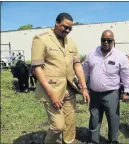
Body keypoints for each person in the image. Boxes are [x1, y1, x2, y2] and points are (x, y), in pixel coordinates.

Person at [31, 12, 90, 144]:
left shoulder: (72, 43)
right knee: (58, 126)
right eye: (65, 27)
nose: (67, 30)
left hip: (69, 89)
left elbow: (77, 66)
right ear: (57, 23)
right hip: (51, 89)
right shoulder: (41, 39)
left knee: (70, 123)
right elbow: (37, 68)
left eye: (70, 28)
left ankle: (68, 142)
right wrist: (52, 94)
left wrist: (84, 87)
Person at [83, 30, 129, 144]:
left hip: (111, 94)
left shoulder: (120, 56)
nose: (106, 42)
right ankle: (93, 140)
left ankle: (113, 141)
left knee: (113, 119)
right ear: (100, 40)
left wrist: (126, 91)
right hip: (94, 93)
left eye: (109, 40)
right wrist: (83, 86)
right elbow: (85, 70)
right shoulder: (92, 54)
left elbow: (127, 74)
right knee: (94, 118)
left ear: (113, 41)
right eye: (103, 40)